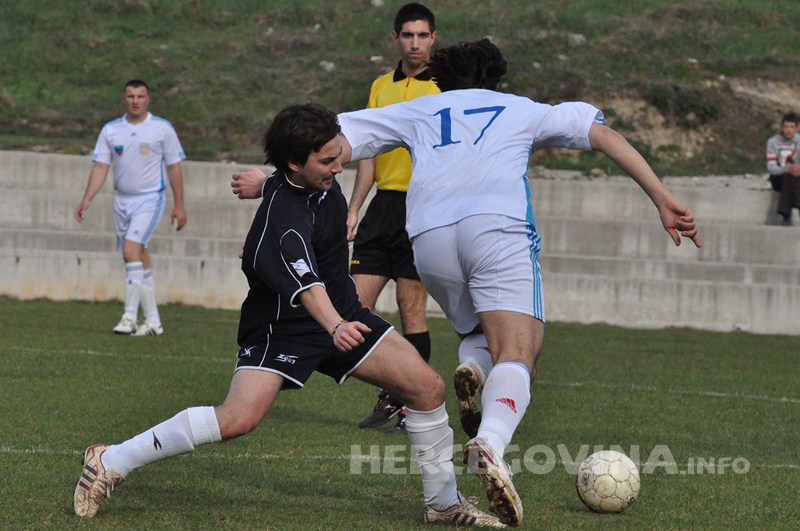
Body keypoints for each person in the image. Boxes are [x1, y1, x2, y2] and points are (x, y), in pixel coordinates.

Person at [233, 40, 701, 528]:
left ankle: (474, 369)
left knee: (479, 335)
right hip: (495, 230)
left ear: (441, 78)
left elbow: (329, 145)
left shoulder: (420, 108)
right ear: (496, 78)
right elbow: (602, 135)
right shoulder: (522, 109)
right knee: (520, 351)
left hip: (430, 239)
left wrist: (270, 180)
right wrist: (662, 196)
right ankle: (491, 443)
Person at [73, 104, 504, 528]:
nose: (340, 166)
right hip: (285, 325)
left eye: (340, 154)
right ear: (296, 164)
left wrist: (262, 182)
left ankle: (443, 504)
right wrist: (334, 325)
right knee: (238, 419)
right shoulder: (286, 220)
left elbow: (281, 183)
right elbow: (307, 285)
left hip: (344, 313)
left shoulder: (296, 179)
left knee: (427, 388)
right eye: (328, 160)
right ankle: (110, 459)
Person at [349, 2, 440, 433]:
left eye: (423, 35)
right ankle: (396, 387)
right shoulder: (380, 87)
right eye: (408, 35)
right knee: (353, 306)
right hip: (381, 208)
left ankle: (409, 402)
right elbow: (368, 153)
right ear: (396, 38)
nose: (415, 43)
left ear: (433, 39)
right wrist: (353, 208)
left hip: (422, 207)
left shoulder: (445, 88)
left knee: (411, 308)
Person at [74, 79, 187, 336]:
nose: (135, 100)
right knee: (139, 254)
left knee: (129, 250)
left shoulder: (162, 128)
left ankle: (128, 317)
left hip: (150, 199)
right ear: (124, 99)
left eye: (140, 96)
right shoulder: (111, 130)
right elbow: (101, 166)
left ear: (148, 99)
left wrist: (179, 204)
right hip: (121, 200)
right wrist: (87, 198)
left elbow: (174, 166)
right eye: (131, 96)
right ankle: (153, 321)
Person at [766, 111, 800, 225]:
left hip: (797, 178)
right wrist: (785, 169)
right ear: (782, 127)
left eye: (791, 127)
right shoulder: (772, 142)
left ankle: (785, 214)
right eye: (786, 126)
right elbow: (771, 168)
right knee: (788, 175)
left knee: (793, 176)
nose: (788, 130)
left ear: (797, 128)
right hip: (778, 178)